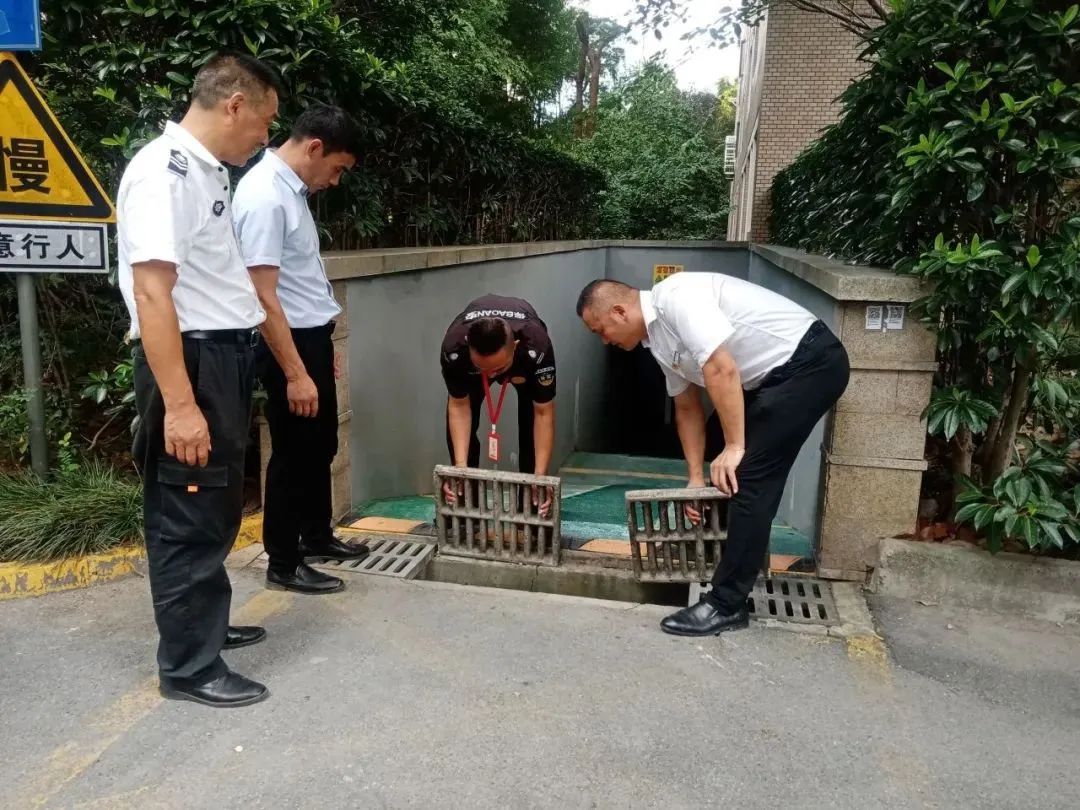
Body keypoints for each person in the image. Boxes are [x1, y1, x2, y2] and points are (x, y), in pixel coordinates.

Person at [118, 53, 282, 707]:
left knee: (212, 503)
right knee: (188, 509)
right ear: (235, 104)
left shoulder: (204, 172)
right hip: (191, 364)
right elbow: (152, 294)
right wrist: (182, 407)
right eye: (266, 123)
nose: (265, 139)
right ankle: (189, 667)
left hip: (219, 360)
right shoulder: (164, 173)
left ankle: (205, 627)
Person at [576, 273, 850, 636]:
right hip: (767, 380)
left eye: (600, 330)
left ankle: (726, 604)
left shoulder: (675, 296)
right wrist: (695, 479)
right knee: (722, 459)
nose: (604, 341)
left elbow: (721, 368)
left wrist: (735, 447)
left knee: (749, 478)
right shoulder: (657, 342)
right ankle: (724, 556)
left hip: (809, 364)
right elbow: (687, 407)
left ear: (619, 311)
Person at [234, 103, 369, 595]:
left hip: (310, 340)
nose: (334, 181)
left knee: (320, 445)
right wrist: (295, 373)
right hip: (287, 345)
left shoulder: (289, 192)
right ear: (315, 148)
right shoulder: (265, 196)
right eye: (337, 169)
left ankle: (315, 537)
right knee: (293, 454)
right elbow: (261, 295)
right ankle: (284, 563)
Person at [440, 296, 556, 515]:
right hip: (471, 369)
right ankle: (465, 503)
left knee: (531, 431)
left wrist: (541, 476)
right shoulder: (454, 348)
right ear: (468, 347)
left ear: (515, 346)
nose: (491, 375)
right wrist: (460, 467)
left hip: (524, 366)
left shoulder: (536, 346)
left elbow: (543, 412)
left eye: (498, 368)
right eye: (482, 368)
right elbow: (459, 407)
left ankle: (533, 505)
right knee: (461, 462)